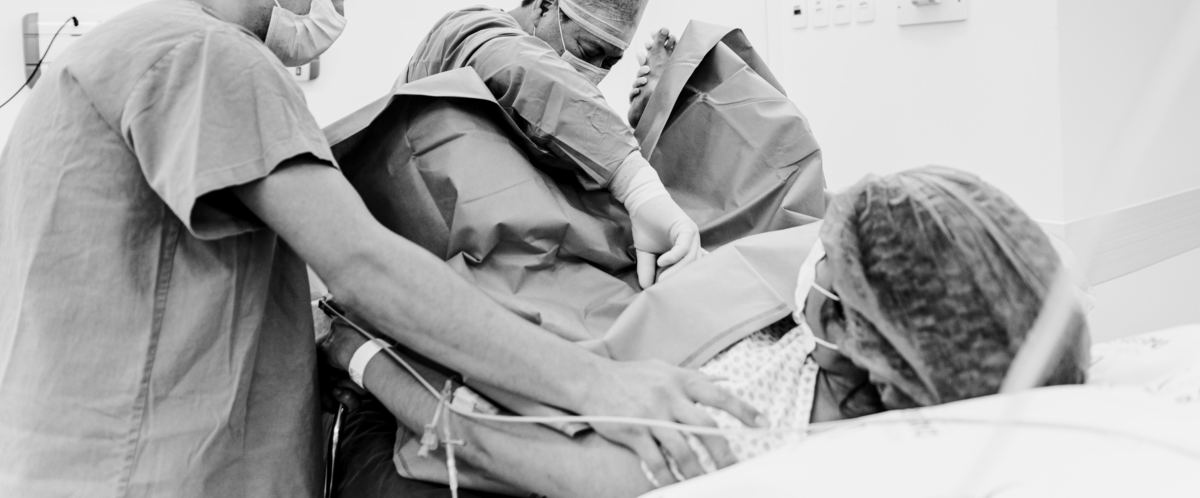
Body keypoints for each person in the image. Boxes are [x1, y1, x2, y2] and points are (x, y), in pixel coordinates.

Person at [0, 0, 762, 498]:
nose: (337, 12)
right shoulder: (210, 55)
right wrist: (601, 384)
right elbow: (359, 264)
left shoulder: (108, 53)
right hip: (159, 469)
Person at [323, 166, 1092, 497]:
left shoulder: (738, 428)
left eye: (827, 257)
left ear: (850, 324)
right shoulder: (900, 326)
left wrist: (349, 349)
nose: (812, 251)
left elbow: (473, 435)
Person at [404, 0, 700, 288]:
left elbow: (563, 129)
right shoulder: (470, 31)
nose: (596, 71)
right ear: (545, 6)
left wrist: (640, 125)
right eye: (588, 51)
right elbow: (532, 77)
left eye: (610, 63)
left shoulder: (559, 97)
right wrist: (638, 184)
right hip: (450, 243)